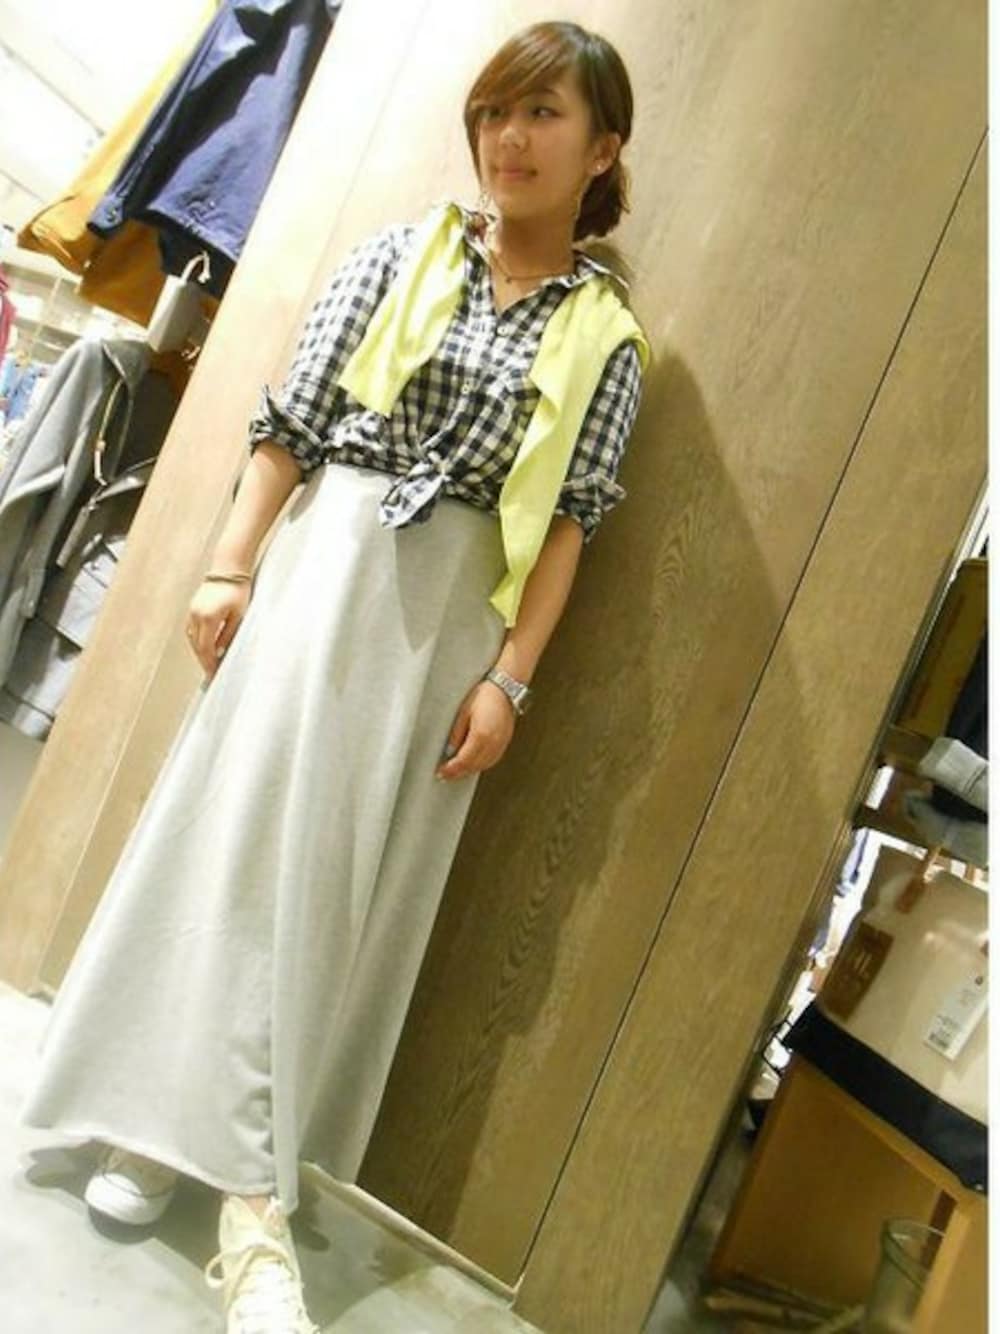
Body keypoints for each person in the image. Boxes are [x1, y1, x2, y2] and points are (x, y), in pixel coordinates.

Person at [19, 19, 649, 1334]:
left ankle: (219, 1154)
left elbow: (570, 525)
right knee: (237, 849)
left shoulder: (610, 339)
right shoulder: (398, 256)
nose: (510, 138)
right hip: (326, 575)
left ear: (603, 151)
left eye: (544, 115)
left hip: (446, 626)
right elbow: (293, 423)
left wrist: (511, 681)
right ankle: (207, 1176)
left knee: (338, 890)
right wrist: (228, 564)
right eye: (497, 111)